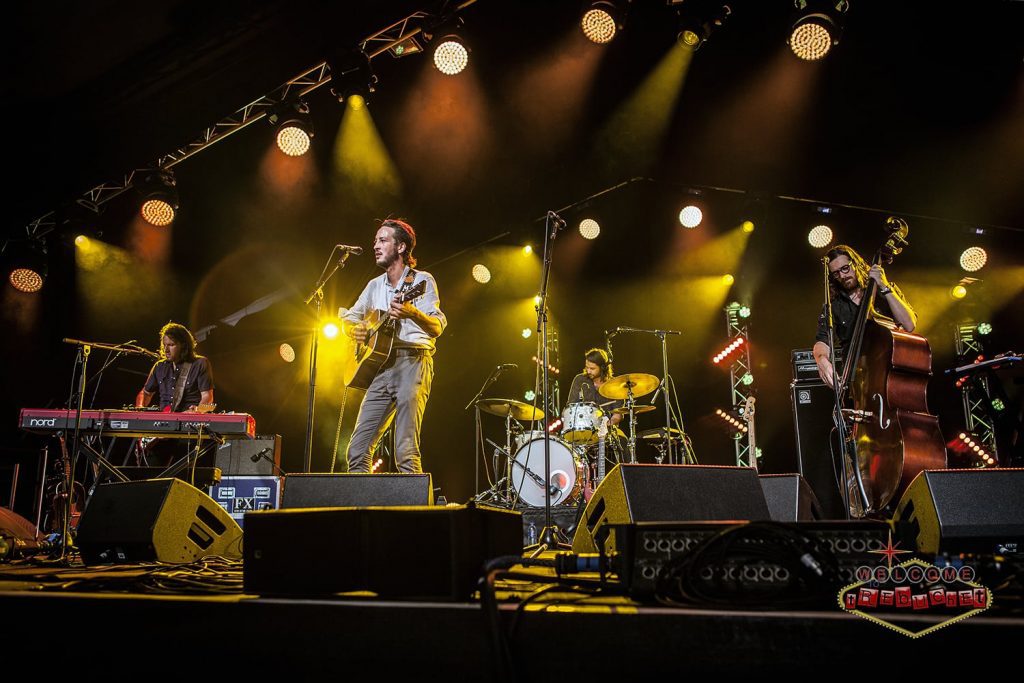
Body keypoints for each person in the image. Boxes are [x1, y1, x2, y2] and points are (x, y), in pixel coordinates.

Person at [342, 219, 446, 474]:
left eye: (383, 240)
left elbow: (437, 327)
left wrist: (412, 313)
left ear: (401, 247)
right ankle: (362, 501)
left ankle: (415, 501)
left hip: (413, 360)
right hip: (381, 367)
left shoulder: (421, 280)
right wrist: (354, 330)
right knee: (356, 451)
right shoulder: (374, 285)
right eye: (375, 241)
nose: (375, 246)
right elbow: (349, 318)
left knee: (405, 451)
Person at [813, 245, 917, 388]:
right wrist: (821, 359)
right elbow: (822, 341)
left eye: (845, 268)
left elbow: (909, 325)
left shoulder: (885, 291)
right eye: (836, 273)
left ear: (855, 263)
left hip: (890, 375)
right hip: (856, 381)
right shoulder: (834, 306)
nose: (842, 276)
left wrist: (885, 287)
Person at [136, 322, 214, 412]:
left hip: (189, 417)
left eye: (171, 345)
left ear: (183, 345)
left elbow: (208, 397)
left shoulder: (200, 363)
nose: (166, 350)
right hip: (164, 418)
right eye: (164, 345)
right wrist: (140, 408)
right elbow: (145, 393)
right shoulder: (159, 366)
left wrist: (197, 411)